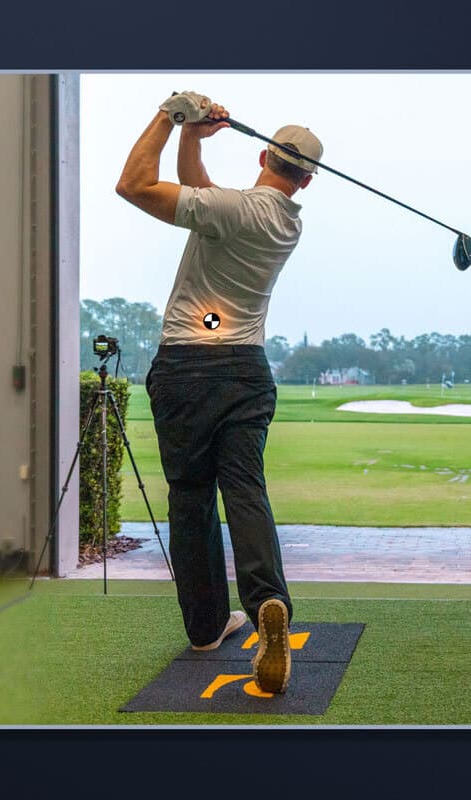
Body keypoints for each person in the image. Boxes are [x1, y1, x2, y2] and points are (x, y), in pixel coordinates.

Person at [115, 92, 323, 694]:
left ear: (262, 154)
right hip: (246, 370)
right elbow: (200, 191)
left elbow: (133, 185)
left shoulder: (233, 210)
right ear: (306, 180)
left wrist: (168, 115)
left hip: (189, 363)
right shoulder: (283, 221)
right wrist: (194, 140)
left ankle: (206, 625)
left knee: (190, 497)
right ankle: (265, 608)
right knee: (245, 488)